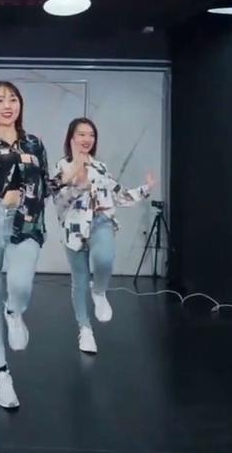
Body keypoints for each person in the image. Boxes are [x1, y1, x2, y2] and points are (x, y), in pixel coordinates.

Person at [0, 81, 60, 409]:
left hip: (27, 222)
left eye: (13, 99)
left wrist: (68, 176)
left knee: (19, 284)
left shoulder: (34, 142)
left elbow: (45, 184)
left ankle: (15, 312)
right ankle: (1, 373)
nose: (7, 105)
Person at [53, 117, 155, 354]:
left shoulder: (100, 167)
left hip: (101, 221)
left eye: (91, 135)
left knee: (105, 259)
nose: (87, 139)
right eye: (81, 134)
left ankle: (99, 291)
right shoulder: (62, 166)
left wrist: (145, 189)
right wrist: (77, 180)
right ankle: (85, 329)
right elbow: (58, 200)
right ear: (71, 138)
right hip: (74, 228)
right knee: (79, 280)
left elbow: (118, 194)